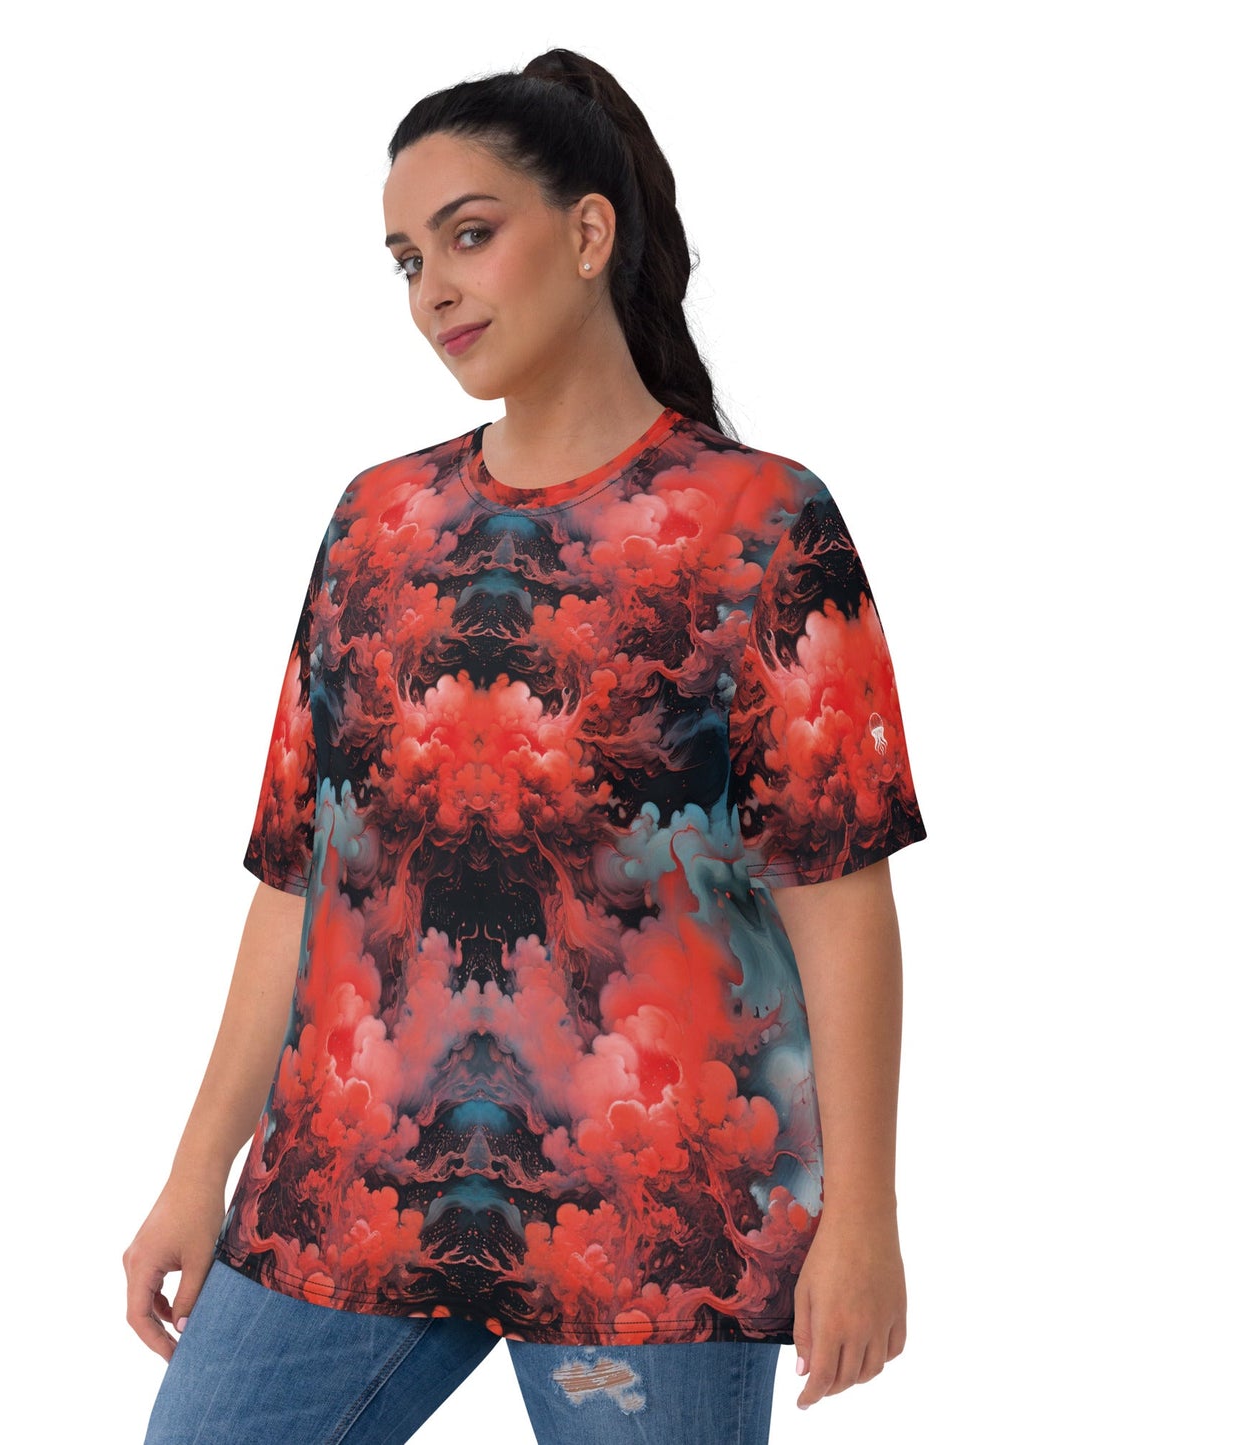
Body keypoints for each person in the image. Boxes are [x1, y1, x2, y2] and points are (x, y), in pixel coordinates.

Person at [125, 46, 928, 1444]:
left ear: (588, 231)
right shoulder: (375, 524)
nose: (432, 289)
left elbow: (838, 894)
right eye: (405, 260)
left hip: (652, 1226)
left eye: (469, 235)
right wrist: (199, 1170)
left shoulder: (759, 525)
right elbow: (298, 876)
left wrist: (862, 1216)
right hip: (344, 1195)